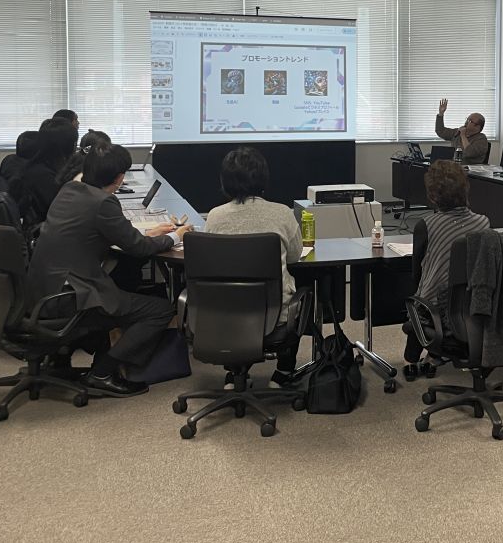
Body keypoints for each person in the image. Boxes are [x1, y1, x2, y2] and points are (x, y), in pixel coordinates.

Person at [25, 144, 191, 397]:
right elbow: (138, 248)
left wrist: (150, 233)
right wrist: (175, 236)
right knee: (159, 310)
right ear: (120, 177)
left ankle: (72, 355)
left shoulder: (70, 189)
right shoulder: (103, 203)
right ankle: (103, 372)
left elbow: (110, 235)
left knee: (122, 282)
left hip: (43, 289)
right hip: (70, 296)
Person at [204, 147, 305, 373]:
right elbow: (294, 255)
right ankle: (284, 372)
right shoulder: (282, 213)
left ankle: (236, 372)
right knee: (303, 292)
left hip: (224, 313)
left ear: (225, 181)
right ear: (263, 178)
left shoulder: (214, 216)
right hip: (275, 316)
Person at [402, 160, 491, 375]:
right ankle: (434, 355)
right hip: (478, 309)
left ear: (433, 195)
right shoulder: (484, 223)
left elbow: (417, 275)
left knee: (421, 296)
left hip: (440, 314)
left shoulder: (427, 225)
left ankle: (412, 359)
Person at [11, 116, 78, 231]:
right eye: (74, 143)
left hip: (53, 227)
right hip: (46, 232)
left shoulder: (43, 166)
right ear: (66, 146)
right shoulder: (41, 175)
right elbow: (62, 209)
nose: (76, 147)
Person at [434, 99, 489, 164]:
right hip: (454, 166)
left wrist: (463, 135)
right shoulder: (458, 132)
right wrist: (441, 114)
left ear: (477, 127)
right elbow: (440, 131)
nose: (466, 122)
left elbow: (469, 153)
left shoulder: (481, 139)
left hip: (470, 168)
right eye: (467, 119)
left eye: (470, 121)